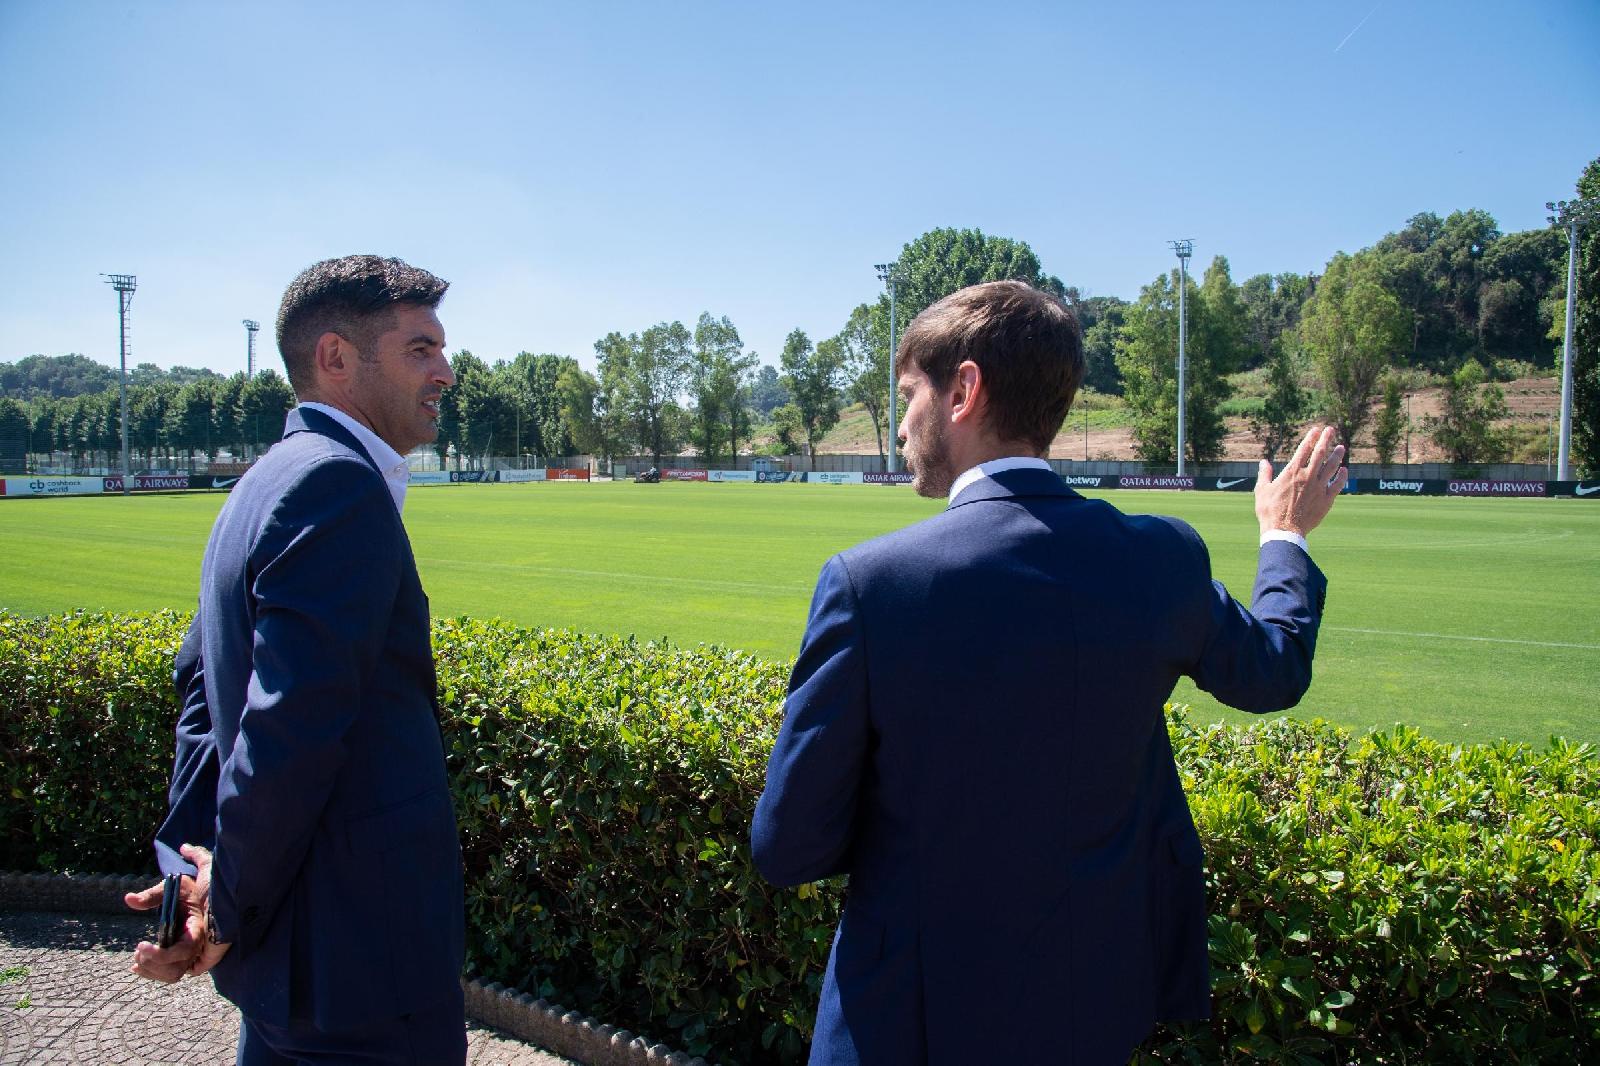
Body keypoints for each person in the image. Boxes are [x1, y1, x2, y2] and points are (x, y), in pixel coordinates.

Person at [750, 280, 1345, 1065]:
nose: (900, 425)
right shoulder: (1160, 560)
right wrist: (1284, 538)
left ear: (963, 390)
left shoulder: (869, 587)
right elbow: (1273, 670)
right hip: (1090, 1009)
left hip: (908, 1028)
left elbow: (787, 847)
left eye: (908, 395)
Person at [124, 255, 466, 1065]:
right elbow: (286, 734)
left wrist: (194, 896)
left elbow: (205, 700)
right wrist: (227, 906)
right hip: (360, 977)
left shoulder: (261, 482)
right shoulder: (337, 486)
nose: (445, 372)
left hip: (286, 970)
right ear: (336, 357)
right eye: (420, 348)